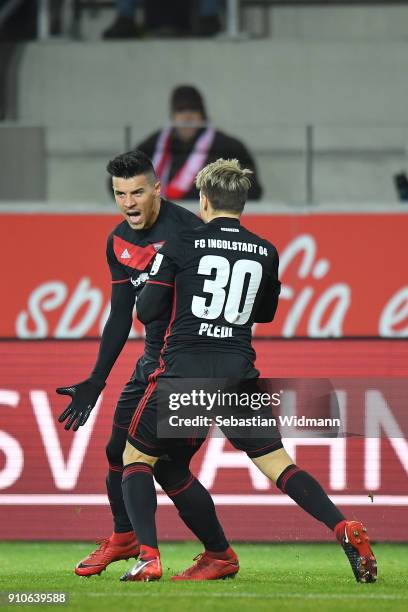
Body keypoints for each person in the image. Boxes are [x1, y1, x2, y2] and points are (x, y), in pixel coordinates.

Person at [119, 158, 377, 583]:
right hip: (238, 373)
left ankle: (148, 556)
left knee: (136, 457)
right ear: (242, 203)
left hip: (185, 372)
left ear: (203, 201)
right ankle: (341, 527)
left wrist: (160, 283)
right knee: (278, 464)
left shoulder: (182, 244)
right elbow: (267, 312)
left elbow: (147, 311)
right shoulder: (265, 250)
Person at [56, 150, 233, 577]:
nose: (129, 202)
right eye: (120, 194)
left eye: (137, 191)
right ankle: (129, 540)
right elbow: (121, 314)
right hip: (149, 364)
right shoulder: (118, 240)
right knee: (120, 452)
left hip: (187, 367)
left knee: (162, 464)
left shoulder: (193, 232)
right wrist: (96, 381)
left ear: (157, 188)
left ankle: (174, 552)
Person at [136, 85, 263, 201]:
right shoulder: (152, 146)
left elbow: (252, 188)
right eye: (181, 110)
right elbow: (124, 179)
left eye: (193, 109)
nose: (187, 116)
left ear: (203, 115)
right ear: (173, 116)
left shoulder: (228, 147)